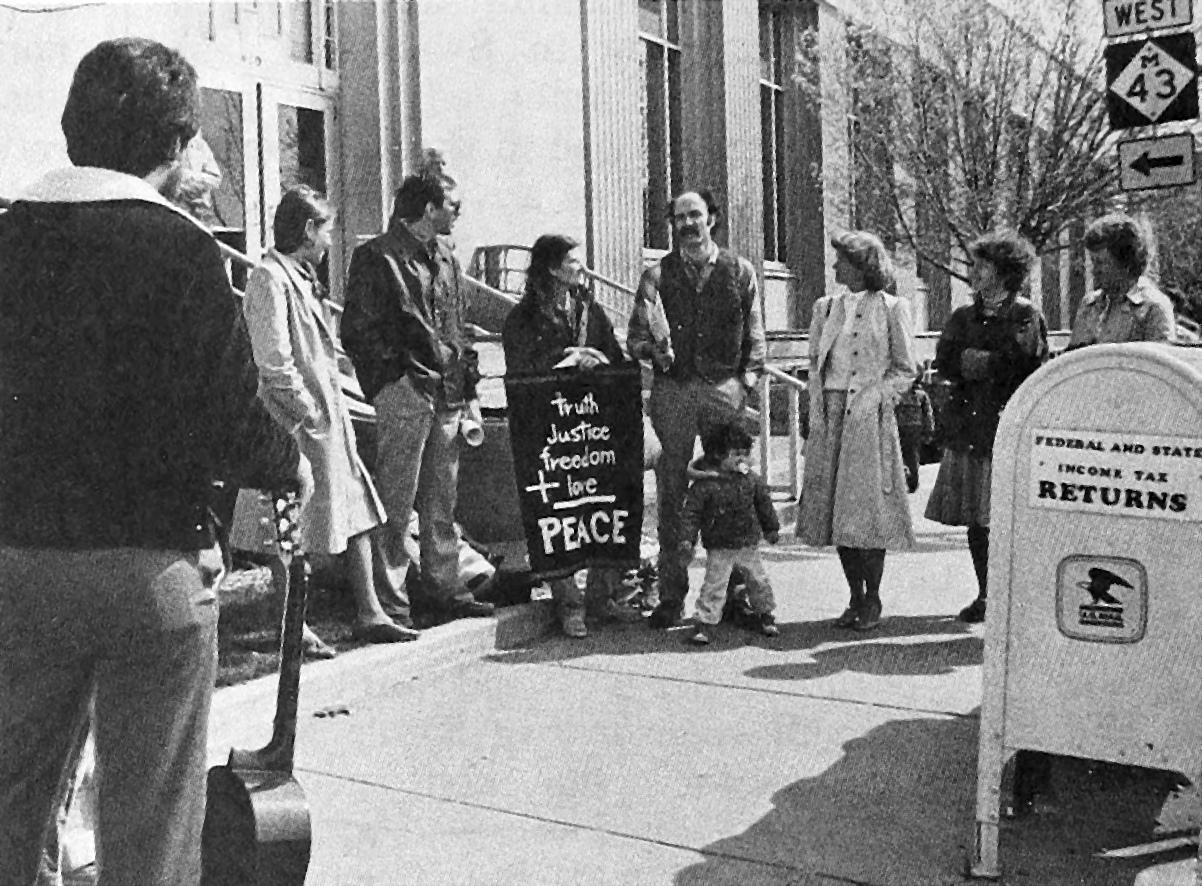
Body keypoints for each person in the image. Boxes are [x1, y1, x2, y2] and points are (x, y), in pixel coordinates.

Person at [0, 37, 302, 886]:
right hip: (151, 576)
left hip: (18, 570)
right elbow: (232, 418)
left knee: (10, 810)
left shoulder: (7, 238)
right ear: (174, 146)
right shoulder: (184, 252)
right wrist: (291, 465)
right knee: (152, 832)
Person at [241, 186, 419, 644]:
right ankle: (291, 625)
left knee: (358, 508)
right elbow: (274, 361)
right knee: (288, 522)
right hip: (294, 426)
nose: (328, 244)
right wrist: (308, 411)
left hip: (326, 421)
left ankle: (371, 611)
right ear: (306, 230)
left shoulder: (298, 276)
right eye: (325, 233)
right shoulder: (269, 279)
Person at [341, 172, 494, 622]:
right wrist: (394, 382)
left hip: (447, 394)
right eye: (453, 205)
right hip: (407, 393)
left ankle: (445, 588)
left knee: (441, 502)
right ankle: (392, 600)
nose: (458, 214)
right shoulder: (376, 257)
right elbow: (357, 331)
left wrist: (468, 388)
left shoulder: (446, 255)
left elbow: (459, 325)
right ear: (430, 208)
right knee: (396, 501)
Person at [627, 188, 767, 629]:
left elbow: (756, 339)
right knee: (672, 497)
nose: (688, 224)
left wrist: (744, 387)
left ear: (712, 219)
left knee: (734, 496)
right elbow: (634, 339)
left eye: (696, 215)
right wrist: (655, 352)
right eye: (679, 217)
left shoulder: (740, 271)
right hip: (674, 393)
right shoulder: (655, 275)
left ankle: (736, 597)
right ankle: (671, 599)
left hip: (724, 390)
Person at [502, 233, 643, 638]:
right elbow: (521, 369)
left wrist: (594, 357)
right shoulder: (522, 317)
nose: (580, 267)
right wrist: (564, 360)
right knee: (557, 510)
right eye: (573, 261)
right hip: (549, 436)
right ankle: (569, 603)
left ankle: (602, 597)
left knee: (605, 500)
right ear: (552, 268)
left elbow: (613, 357)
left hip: (593, 429)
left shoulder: (588, 309)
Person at [925, 230, 1048, 623]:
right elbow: (945, 360)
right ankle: (986, 593)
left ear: (1004, 272)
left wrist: (979, 362)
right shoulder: (963, 316)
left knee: (1008, 519)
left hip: (1007, 429)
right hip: (970, 428)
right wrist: (984, 362)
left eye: (982, 265)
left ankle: (1015, 595)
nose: (974, 272)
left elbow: (1026, 366)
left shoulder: (1025, 314)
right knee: (978, 520)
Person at [798, 231, 916, 632]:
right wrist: (814, 413)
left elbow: (904, 369)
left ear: (863, 265)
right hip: (832, 414)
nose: (834, 268)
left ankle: (873, 597)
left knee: (866, 509)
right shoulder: (825, 308)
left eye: (842, 261)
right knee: (837, 510)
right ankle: (853, 595)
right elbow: (816, 365)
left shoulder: (893, 308)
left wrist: (878, 398)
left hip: (868, 417)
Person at [679, 423, 780, 645]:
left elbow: (764, 504)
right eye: (736, 454)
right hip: (719, 545)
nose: (742, 459)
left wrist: (771, 528)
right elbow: (691, 513)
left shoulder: (751, 480)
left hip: (747, 543)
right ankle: (704, 622)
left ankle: (766, 614)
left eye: (746, 453)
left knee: (758, 581)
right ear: (718, 455)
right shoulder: (705, 484)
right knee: (714, 584)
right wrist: (687, 538)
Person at [1067, 212, 1174, 349]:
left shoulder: (1153, 308)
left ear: (1126, 264)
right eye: (1093, 263)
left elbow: (1160, 365)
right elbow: (1073, 362)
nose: (1094, 270)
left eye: (1101, 263)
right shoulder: (1089, 306)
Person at [895, 371, 935, 494]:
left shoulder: (899, 394)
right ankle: (910, 482)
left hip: (903, 427)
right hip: (912, 428)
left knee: (903, 455)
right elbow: (928, 415)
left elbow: (928, 414)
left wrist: (929, 430)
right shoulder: (921, 395)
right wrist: (929, 430)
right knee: (911, 456)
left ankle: (907, 482)